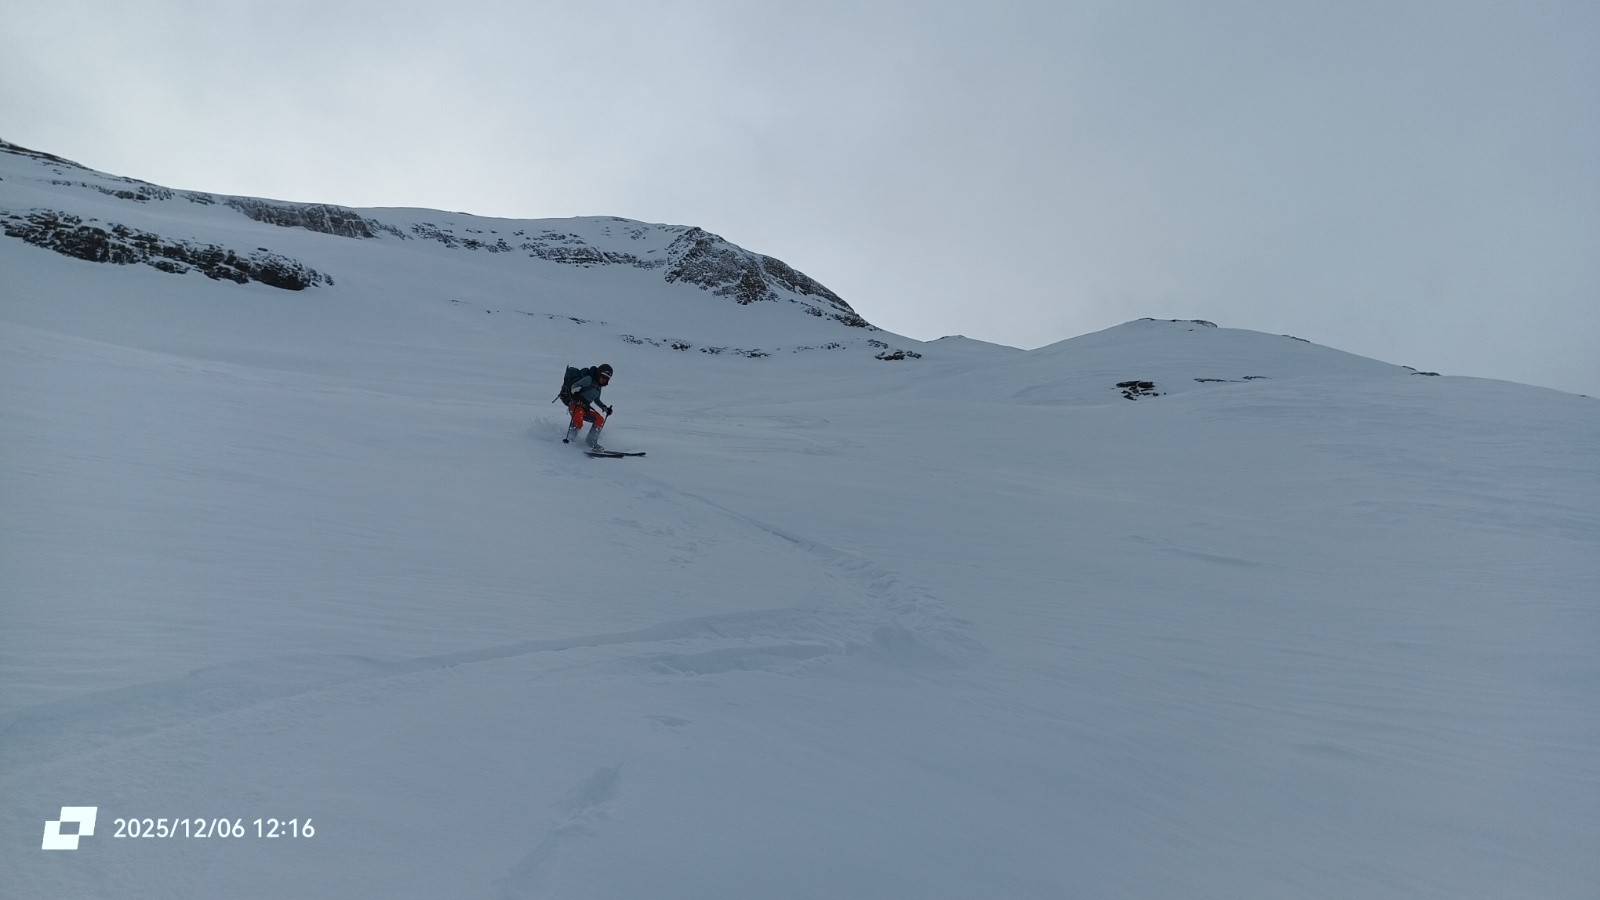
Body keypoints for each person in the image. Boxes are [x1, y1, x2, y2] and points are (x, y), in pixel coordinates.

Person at [564, 363, 614, 448]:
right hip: (575, 405)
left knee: (600, 420)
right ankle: (570, 440)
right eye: (603, 376)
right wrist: (576, 392)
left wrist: (605, 408)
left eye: (606, 378)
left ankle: (591, 441)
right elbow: (574, 386)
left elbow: (596, 400)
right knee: (578, 420)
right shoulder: (589, 379)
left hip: (585, 408)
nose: (604, 380)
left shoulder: (598, 387)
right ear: (599, 374)